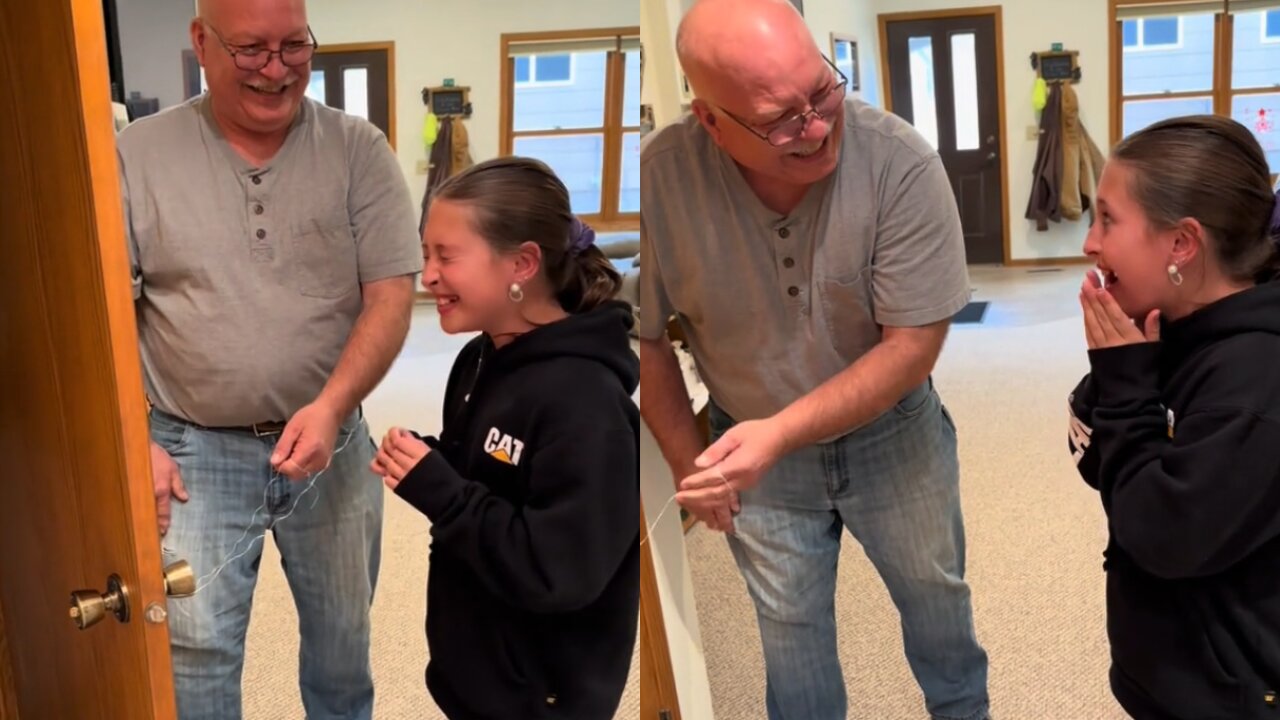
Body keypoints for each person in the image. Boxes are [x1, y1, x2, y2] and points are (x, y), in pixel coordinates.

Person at [639, 0, 990, 718]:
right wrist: (690, 466)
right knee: (790, 641)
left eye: (822, 91)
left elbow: (912, 348)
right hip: (748, 447)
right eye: (783, 120)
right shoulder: (662, 177)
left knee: (937, 607)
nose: (820, 126)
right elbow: (645, 337)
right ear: (710, 119)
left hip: (896, 438)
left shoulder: (899, 161)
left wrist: (778, 433)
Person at [115, 0, 421, 716]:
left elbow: (389, 295)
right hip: (191, 450)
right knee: (195, 655)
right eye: (252, 49)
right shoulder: (136, 156)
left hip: (332, 440)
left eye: (294, 46)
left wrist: (333, 405)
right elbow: (103, 311)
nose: (276, 70)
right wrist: (131, 434)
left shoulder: (357, 148)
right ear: (201, 41)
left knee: (344, 645)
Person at [371, 157, 640, 720]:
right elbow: (492, 477)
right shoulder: (480, 355)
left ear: (521, 263)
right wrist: (437, 460)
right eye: (426, 255)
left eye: (447, 256)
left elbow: (558, 572)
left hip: (541, 698)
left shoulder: (585, 402)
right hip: (479, 678)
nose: (429, 277)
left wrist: (444, 493)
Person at [1068, 115, 1280, 719]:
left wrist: (1130, 391)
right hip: (1168, 675)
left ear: (1182, 244)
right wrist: (1125, 373)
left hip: (1228, 696)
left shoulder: (1254, 388)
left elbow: (1160, 536)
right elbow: (1092, 451)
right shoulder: (1171, 329)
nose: (1090, 242)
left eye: (1108, 218)